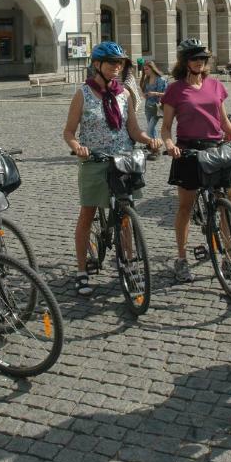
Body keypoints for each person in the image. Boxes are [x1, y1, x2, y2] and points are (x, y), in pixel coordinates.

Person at [63, 41, 162, 296]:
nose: (117, 68)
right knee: (87, 215)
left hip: (123, 160)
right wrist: (78, 147)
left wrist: (149, 139)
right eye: (111, 63)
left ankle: (128, 262)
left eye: (120, 64)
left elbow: (133, 129)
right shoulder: (83, 94)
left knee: (126, 214)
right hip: (95, 161)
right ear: (97, 65)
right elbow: (69, 132)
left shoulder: (124, 94)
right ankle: (82, 270)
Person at [160, 38, 231, 282]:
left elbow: (222, 120)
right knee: (186, 206)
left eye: (203, 58)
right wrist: (169, 144)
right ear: (185, 61)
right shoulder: (174, 90)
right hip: (188, 151)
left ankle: (230, 256)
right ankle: (181, 258)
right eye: (195, 58)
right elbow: (166, 127)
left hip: (216, 149)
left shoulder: (215, 85)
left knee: (228, 200)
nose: (200, 62)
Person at [139, 60, 167, 152]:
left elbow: (166, 94)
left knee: (150, 128)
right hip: (148, 107)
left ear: (152, 68)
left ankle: (153, 146)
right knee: (152, 128)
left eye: (147, 69)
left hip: (157, 108)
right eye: (144, 70)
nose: (145, 71)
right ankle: (154, 146)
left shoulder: (161, 80)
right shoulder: (146, 79)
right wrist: (144, 94)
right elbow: (145, 92)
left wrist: (155, 93)